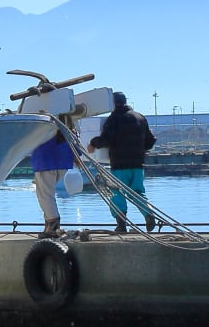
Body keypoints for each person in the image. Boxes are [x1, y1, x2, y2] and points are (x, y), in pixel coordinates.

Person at [87, 92, 156, 232]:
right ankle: (148, 213)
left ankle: (121, 225)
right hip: (138, 165)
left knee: (116, 192)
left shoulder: (114, 118)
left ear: (113, 104)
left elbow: (106, 138)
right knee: (137, 192)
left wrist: (93, 144)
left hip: (120, 165)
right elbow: (150, 141)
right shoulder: (140, 117)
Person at [30, 130, 75, 239]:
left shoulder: (43, 125)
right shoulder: (64, 122)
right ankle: (49, 226)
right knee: (48, 194)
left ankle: (53, 225)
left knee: (44, 195)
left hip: (45, 160)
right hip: (63, 160)